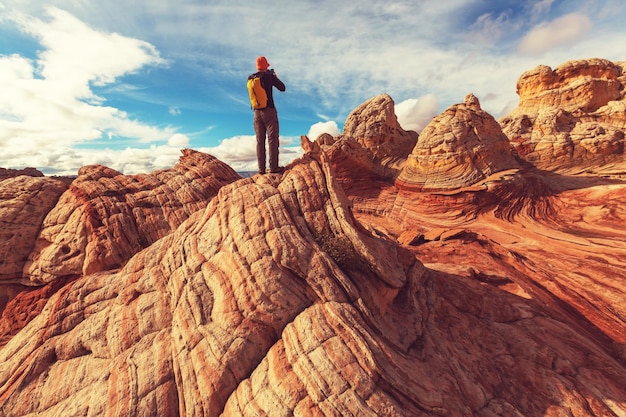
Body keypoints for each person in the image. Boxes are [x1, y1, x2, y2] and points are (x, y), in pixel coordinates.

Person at [249, 56, 286, 174]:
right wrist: (274, 77)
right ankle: (273, 167)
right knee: (272, 139)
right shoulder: (269, 76)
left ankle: (261, 170)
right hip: (269, 111)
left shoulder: (250, 78)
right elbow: (282, 88)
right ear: (266, 66)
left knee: (260, 141)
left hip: (256, 113)